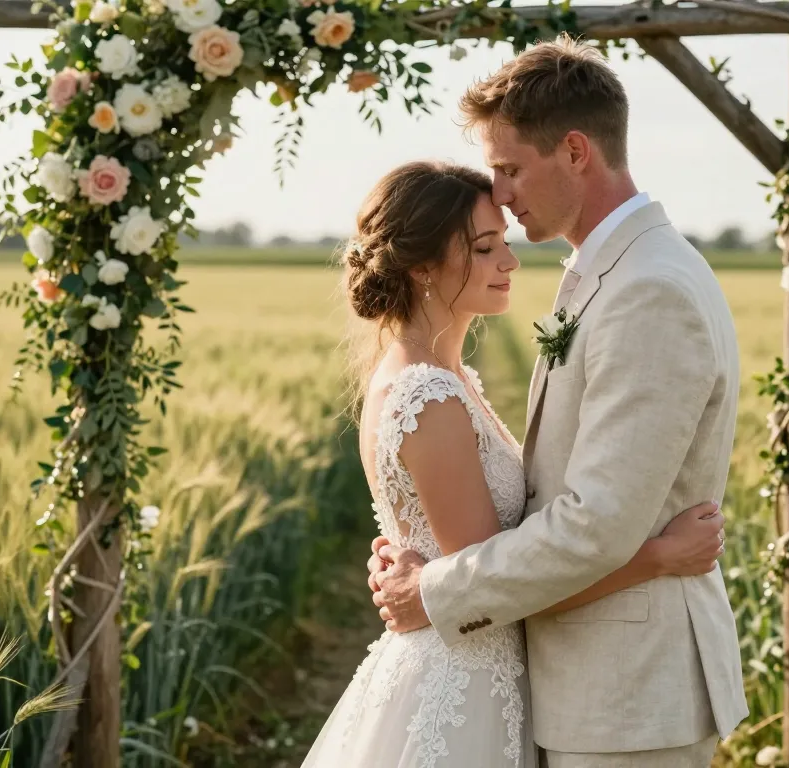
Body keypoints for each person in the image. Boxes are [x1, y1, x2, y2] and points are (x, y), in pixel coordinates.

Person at [366, 35, 748, 768]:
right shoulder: (613, 271)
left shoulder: (648, 291)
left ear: (575, 151)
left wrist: (434, 590)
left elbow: (593, 526)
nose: (500, 195)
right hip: (584, 685)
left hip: (628, 696)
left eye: (509, 168)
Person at [299, 156, 727, 768]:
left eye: (503, 241)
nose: (510, 261)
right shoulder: (429, 398)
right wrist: (657, 558)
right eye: (483, 247)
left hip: (486, 670)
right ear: (421, 264)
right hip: (462, 687)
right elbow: (506, 584)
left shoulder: (451, 381)